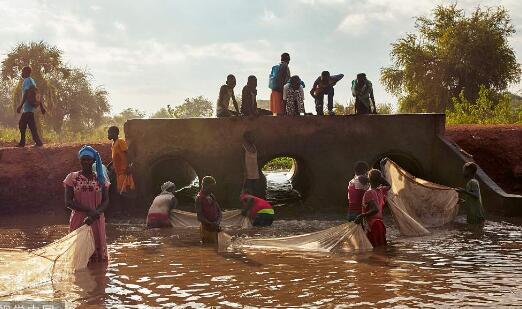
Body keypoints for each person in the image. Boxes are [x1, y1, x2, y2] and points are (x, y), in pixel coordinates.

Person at [64, 145, 110, 263]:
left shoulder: (100, 179)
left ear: (93, 161)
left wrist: (96, 213)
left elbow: (106, 201)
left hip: (96, 219)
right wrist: (90, 211)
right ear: (79, 160)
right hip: (80, 220)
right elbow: (68, 202)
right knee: (79, 257)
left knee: (98, 259)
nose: (85, 162)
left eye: (88, 159)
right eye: (83, 159)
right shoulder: (72, 178)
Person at [355, 169, 390, 247]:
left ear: (369, 179)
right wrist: (380, 178)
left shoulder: (369, 192)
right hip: (380, 224)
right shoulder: (380, 190)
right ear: (379, 179)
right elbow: (388, 185)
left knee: (373, 251)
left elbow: (375, 209)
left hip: (373, 226)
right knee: (381, 250)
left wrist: (362, 215)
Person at [16, 66, 45, 147]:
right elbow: (37, 94)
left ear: (26, 72)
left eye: (22, 72)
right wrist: (41, 107)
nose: (21, 73)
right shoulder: (32, 81)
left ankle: (22, 143)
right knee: (32, 126)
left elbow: (25, 93)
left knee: (22, 124)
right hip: (31, 108)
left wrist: (20, 106)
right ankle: (38, 142)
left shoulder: (26, 81)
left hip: (27, 108)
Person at [107, 126, 135, 197]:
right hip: (118, 173)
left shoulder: (120, 141)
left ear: (115, 133)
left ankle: (130, 207)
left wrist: (129, 166)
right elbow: (116, 157)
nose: (108, 135)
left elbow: (127, 153)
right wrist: (110, 165)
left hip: (124, 171)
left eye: (109, 133)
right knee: (121, 191)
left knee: (126, 192)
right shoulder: (113, 144)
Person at [195, 176, 222, 244]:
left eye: (213, 187)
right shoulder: (199, 198)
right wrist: (211, 224)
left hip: (215, 227)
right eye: (211, 187)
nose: (212, 189)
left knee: (216, 247)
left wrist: (217, 222)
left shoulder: (211, 196)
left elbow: (219, 211)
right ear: (204, 186)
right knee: (208, 248)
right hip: (206, 229)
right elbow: (199, 217)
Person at [242, 131, 261, 196]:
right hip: (248, 173)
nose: (253, 138)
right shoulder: (243, 146)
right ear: (247, 138)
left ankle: (253, 203)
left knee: (254, 190)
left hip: (254, 172)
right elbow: (242, 160)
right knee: (249, 190)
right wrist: (245, 171)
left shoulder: (254, 146)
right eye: (251, 136)